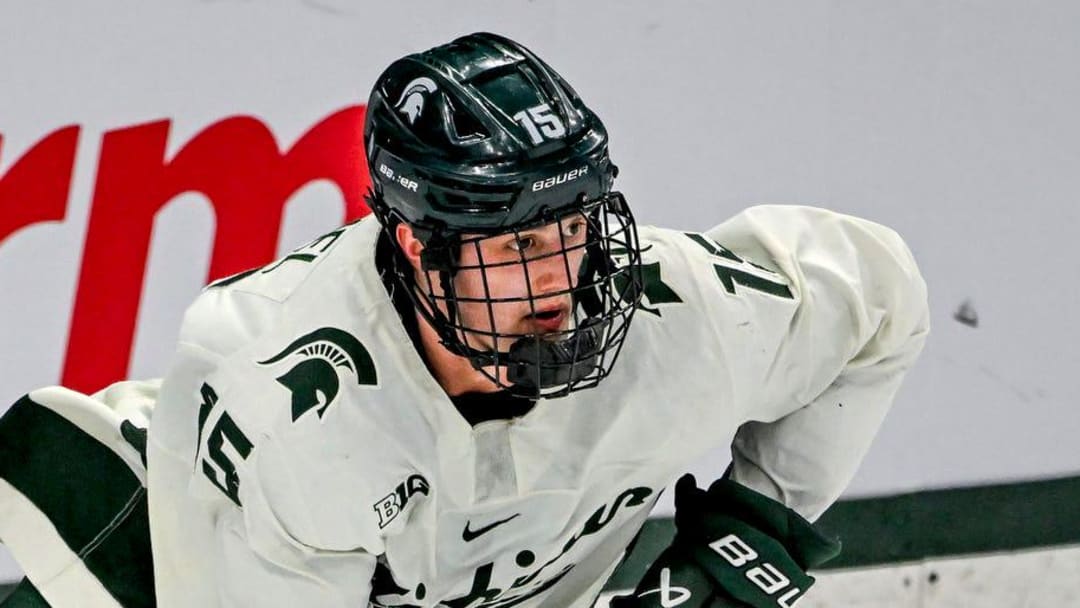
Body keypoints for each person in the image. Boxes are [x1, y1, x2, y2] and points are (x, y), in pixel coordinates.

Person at [0, 32, 929, 608]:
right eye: (520, 246)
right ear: (415, 245)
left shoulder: (683, 317)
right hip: (166, 558)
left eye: (573, 229)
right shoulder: (297, 412)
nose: (563, 279)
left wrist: (751, 534)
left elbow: (879, 301)